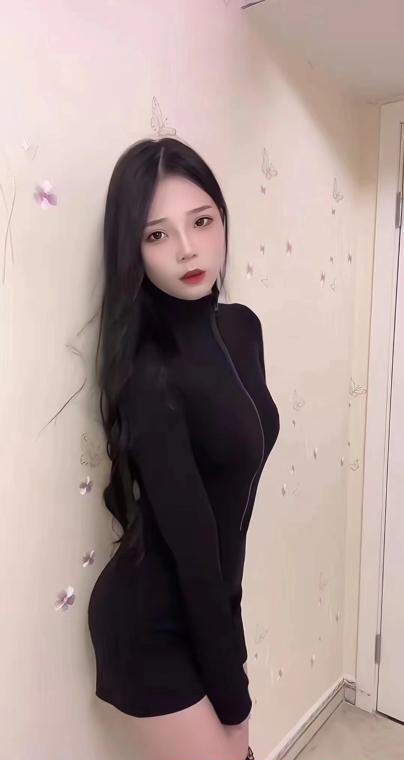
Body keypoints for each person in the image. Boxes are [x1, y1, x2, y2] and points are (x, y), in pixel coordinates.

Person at [87, 136, 280, 760]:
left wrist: (232, 654)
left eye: (201, 221)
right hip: (150, 624)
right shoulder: (148, 370)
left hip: (211, 606)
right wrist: (234, 694)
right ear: (133, 250)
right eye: (157, 234)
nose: (188, 249)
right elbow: (195, 548)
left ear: (222, 219)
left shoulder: (243, 327)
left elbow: (231, 523)